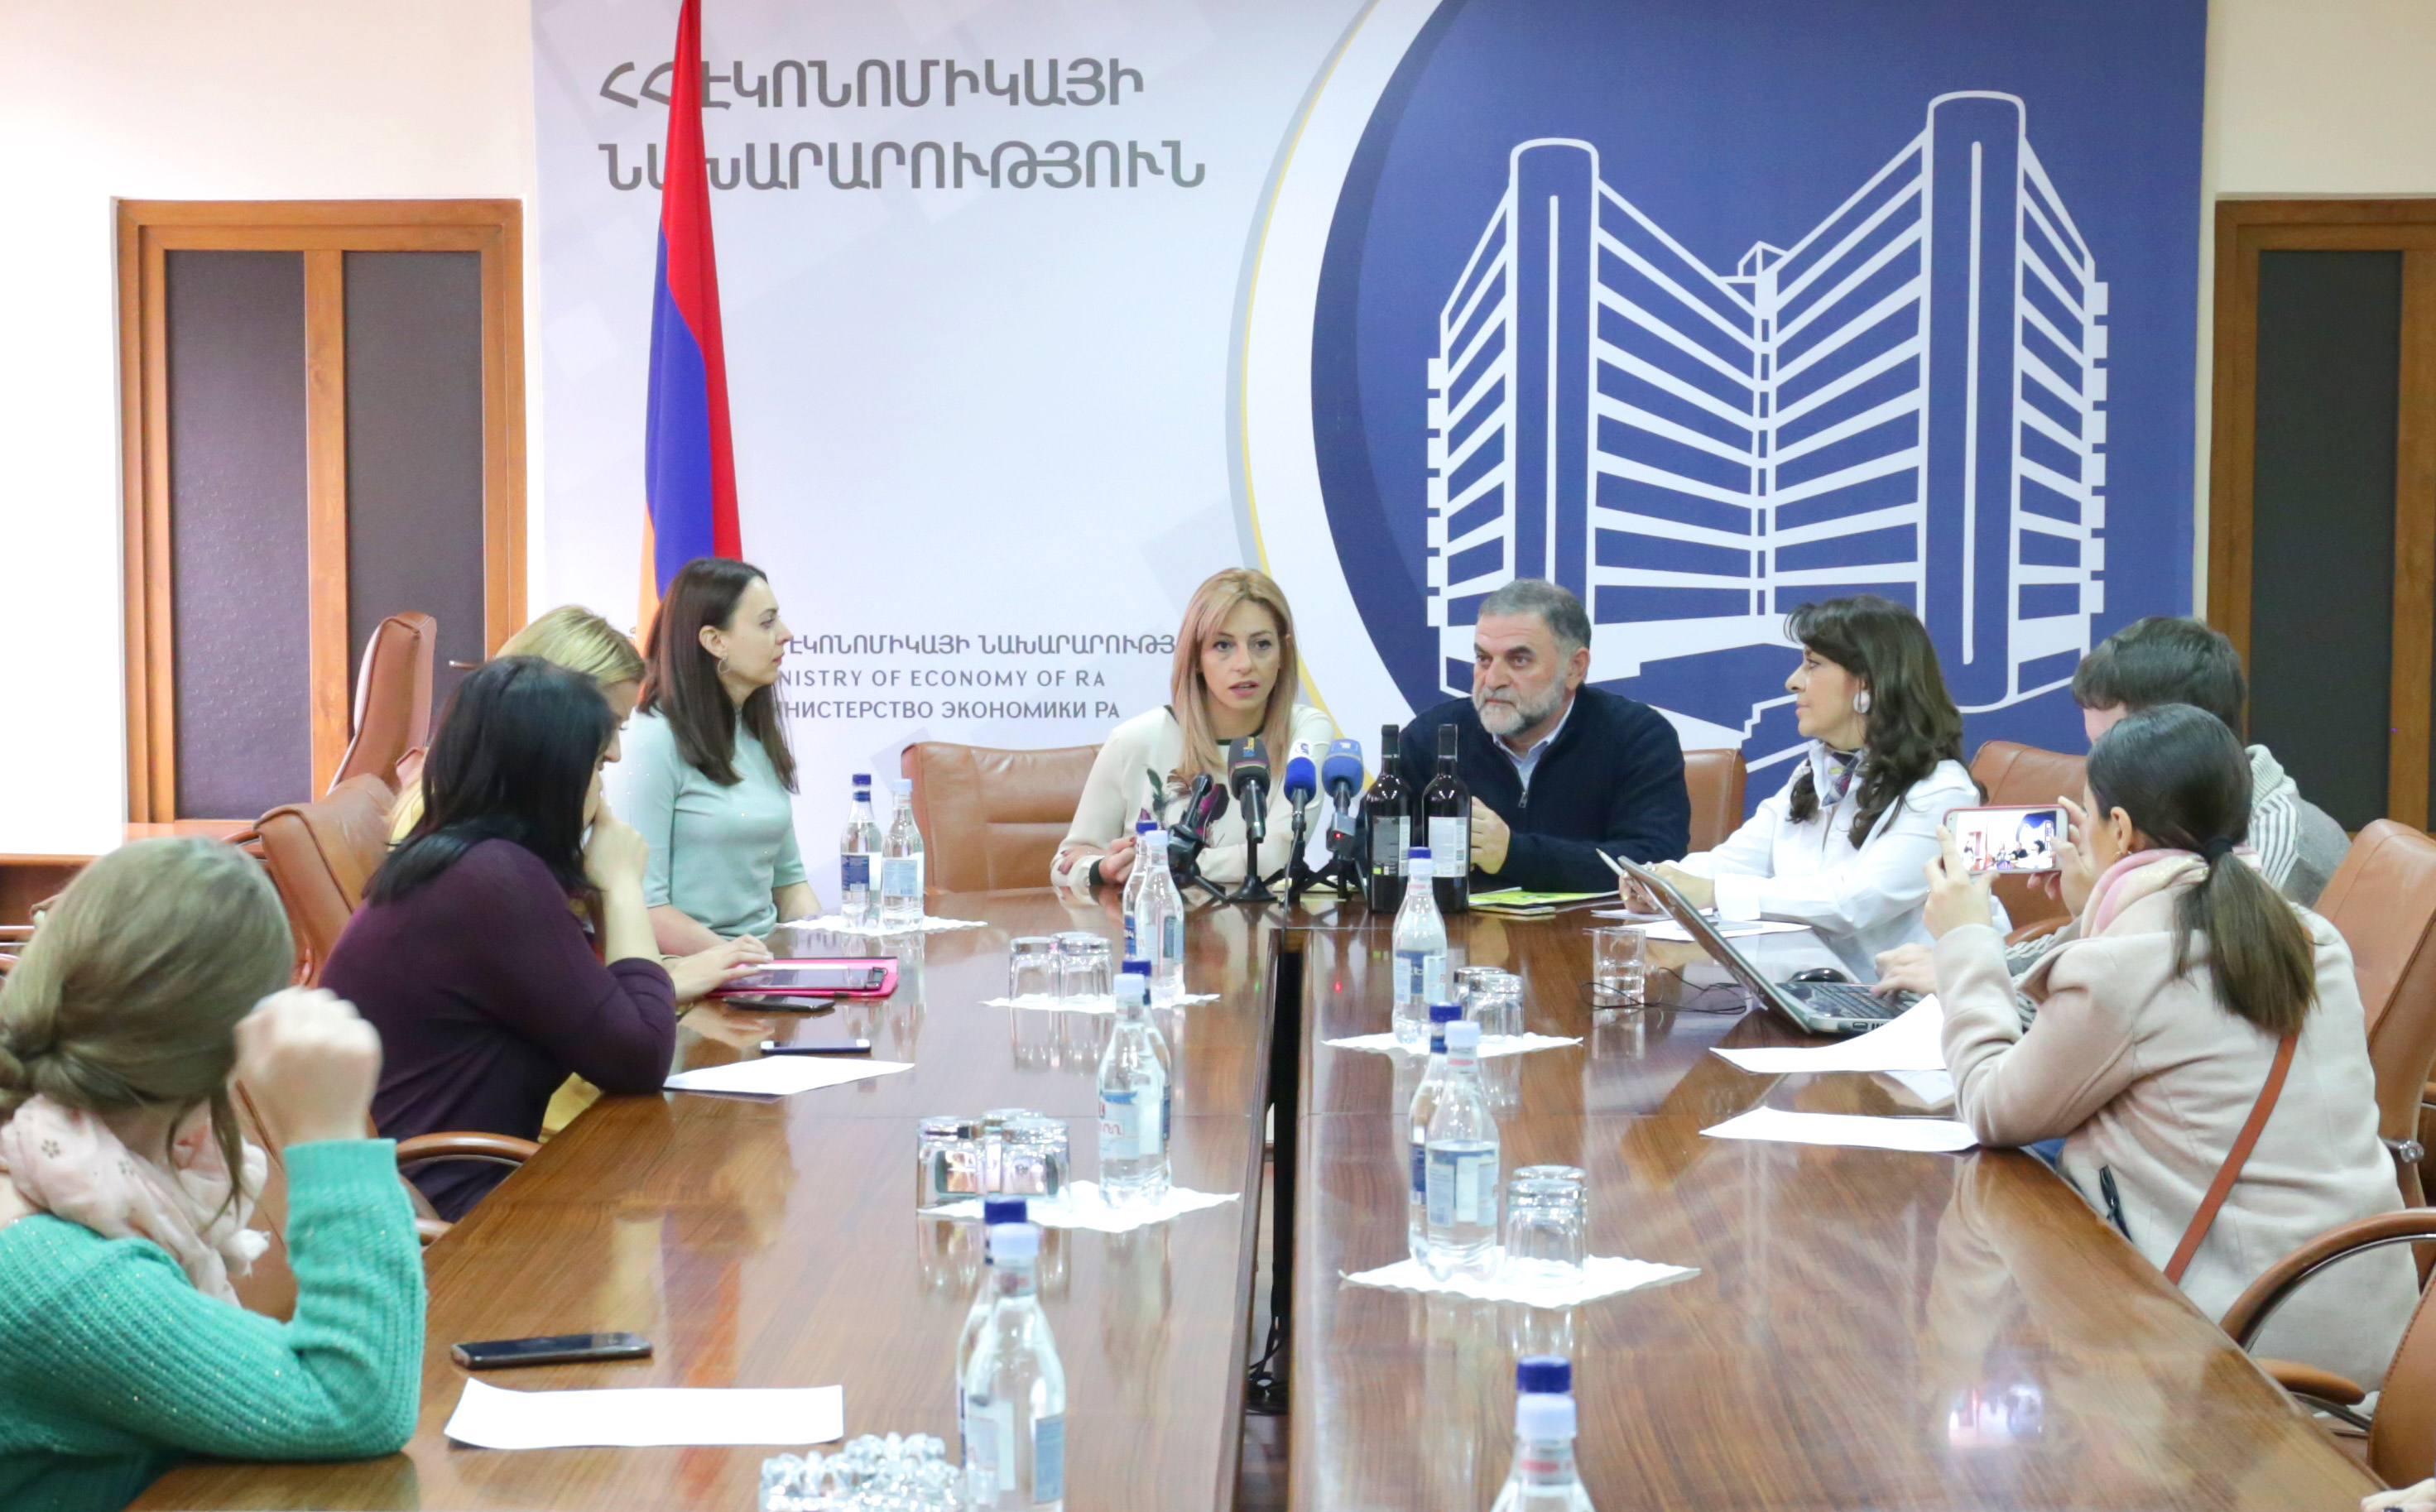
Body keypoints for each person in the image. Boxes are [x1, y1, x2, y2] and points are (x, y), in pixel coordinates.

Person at [1924, 703, 2414, 1389]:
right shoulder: (2310, 937)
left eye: (2089, 815)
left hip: (2231, 1348)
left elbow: (1990, 1105)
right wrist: (2094, 912)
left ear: (2120, 830)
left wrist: (1964, 937)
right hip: (2376, 1329)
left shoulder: (2121, 969)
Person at [0, 838, 420, 1510]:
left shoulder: (79, 1175)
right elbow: (356, 1401)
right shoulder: (59, 1275)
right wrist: (331, 1134)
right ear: (234, 1054)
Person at [326, 658, 756, 1220]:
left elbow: (619, 1024)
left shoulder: (465, 863)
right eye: (596, 767)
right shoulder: (492, 882)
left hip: (467, 1185)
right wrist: (622, 886)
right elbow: (640, 1057)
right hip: (459, 1220)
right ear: (550, 774)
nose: (603, 788)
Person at [1641, 594, 1991, 971]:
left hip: (1899, 995)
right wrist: (1663, 882)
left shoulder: (1941, 790)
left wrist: (1713, 893)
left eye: (1813, 665)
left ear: (1867, 682)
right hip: (1803, 984)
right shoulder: (1816, 770)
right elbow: (1736, 860)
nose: (1793, 682)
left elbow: (1854, 902)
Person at [1393, 578, 1689, 891]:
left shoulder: (1638, 737)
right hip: (1454, 922)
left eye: (1519, 660)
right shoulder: (1434, 736)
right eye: (1483, 659)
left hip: (1588, 923)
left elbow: (1658, 862)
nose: (1492, 680)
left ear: (1575, 668)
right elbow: (1372, 846)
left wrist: (1512, 854)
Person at [1055, 568, 1335, 892]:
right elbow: (1066, 864)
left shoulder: (1305, 730)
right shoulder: (1133, 740)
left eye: (1261, 644)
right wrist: (1101, 867)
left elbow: (1276, 855)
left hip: (1259, 922)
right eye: (1223, 645)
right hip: (1154, 920)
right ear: (1197, 657)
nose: (1245, 664)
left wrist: (1156, 861)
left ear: (1283, 653)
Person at [609, 558, 819, 950]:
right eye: (767, 622)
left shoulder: (754, 733)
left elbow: (790, 884)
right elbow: (642, 906)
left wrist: (830, 951)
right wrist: (740, 962)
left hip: (762, 963)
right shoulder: (652, 739)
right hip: (692, 971)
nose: (786, 635)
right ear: (714, 641)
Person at [2073, 616, 2347, 906]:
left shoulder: (2274, 854)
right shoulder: (2175, 816)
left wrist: (2097, 900)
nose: (2096, 768)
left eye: (2110, 746)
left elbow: (2201, 937)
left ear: (2180, 735)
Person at [389, 603, 649, 842]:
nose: (615, 753)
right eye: (604, 725)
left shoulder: (474, 810)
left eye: (620, 728)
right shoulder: (485, 849)